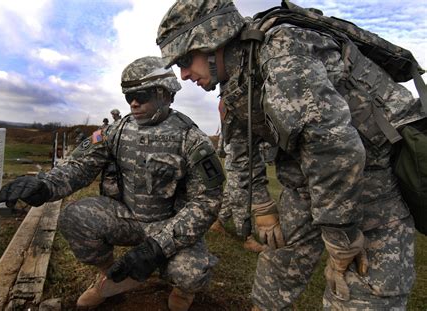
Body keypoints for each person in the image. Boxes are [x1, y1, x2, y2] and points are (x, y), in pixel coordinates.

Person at [156, 0, 424, 309]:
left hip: (371, 183)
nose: (184, 74)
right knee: (276, 272)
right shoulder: (237, 81)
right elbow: (241, 150)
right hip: (304, 186)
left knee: (363, 294)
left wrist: (340, 234)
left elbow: (333, 147)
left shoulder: (283, 50)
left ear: (212, 39)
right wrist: (262, 206)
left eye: (186, 60)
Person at [0, 56, 225, 310]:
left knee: (190, 273)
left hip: (170, 225)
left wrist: (159, 247)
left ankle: (183, 292)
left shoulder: (192, 140)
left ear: (165, 94)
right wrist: (45, 185)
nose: (134, 103)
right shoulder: (113, 132)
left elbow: (206, 202)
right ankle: (113, 276)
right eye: (129, 97)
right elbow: (80, 166)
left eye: (141, 95)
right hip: (127, 218)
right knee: (76, 217)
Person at [211, 100, 271, 253]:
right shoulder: (234, 100)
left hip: (244, 156)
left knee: (231, 193)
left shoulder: (232, 102)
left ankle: (218, 222)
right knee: (239, 197)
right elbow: (226, 125)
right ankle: (246, 238)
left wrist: (221, 149)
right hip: (238, 159)